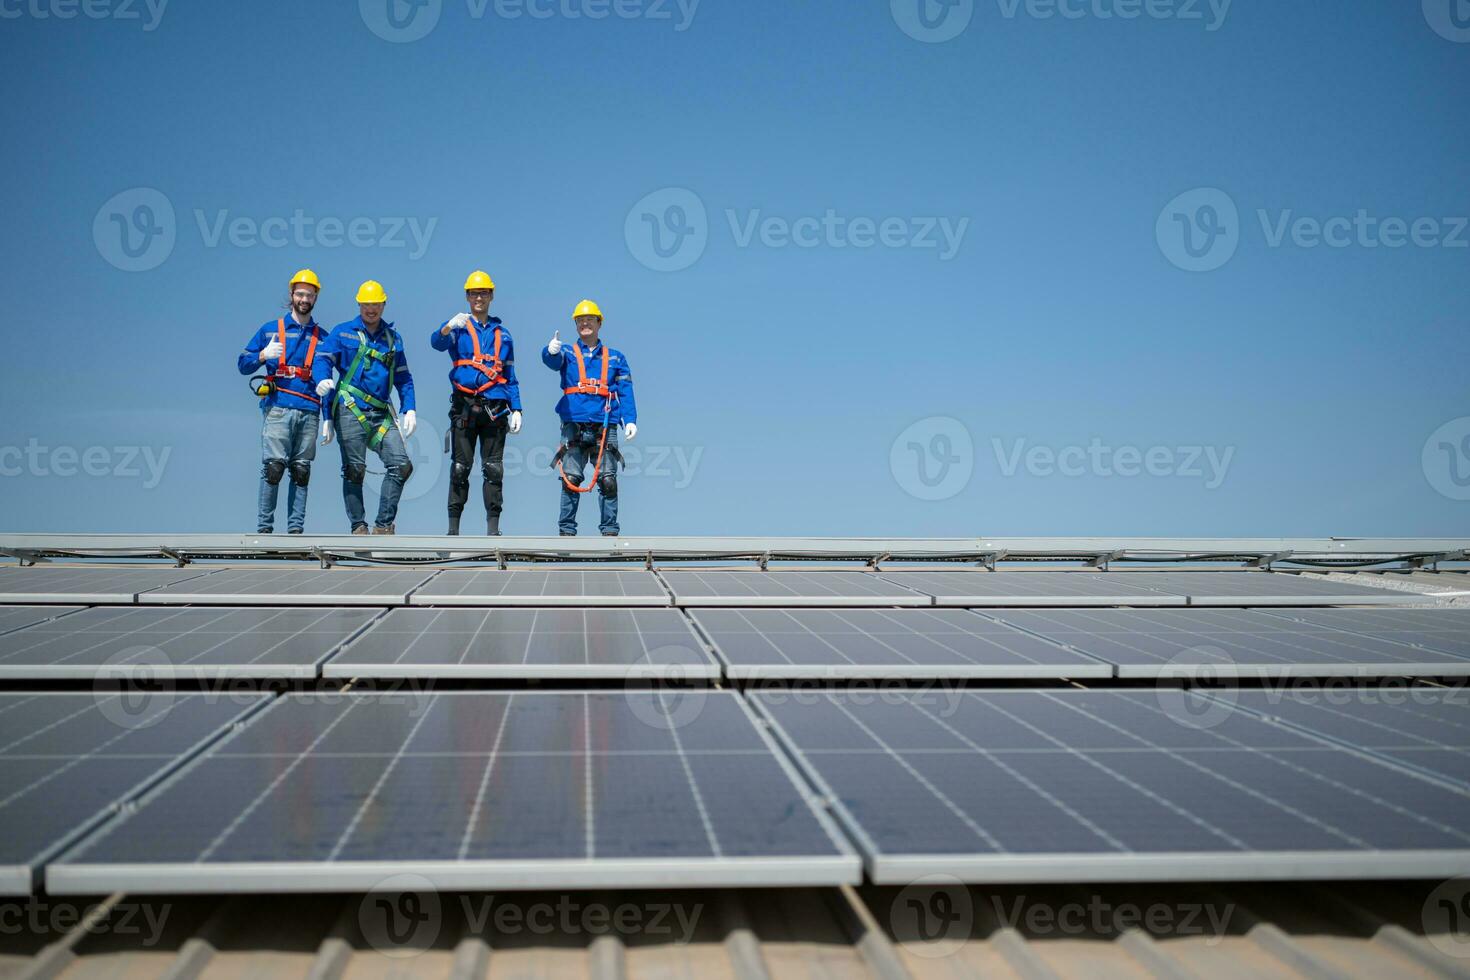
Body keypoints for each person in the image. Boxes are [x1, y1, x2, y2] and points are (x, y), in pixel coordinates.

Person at [313, 280, 417, 535]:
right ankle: (358, 527)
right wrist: (322, 379)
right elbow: (322, 359)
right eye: (367, 304)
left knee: (401, 465)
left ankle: (383, 526)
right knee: (354, 469)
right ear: (359, 304)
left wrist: (410, 407)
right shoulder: (342, 333)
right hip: (350, 409)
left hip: (381, 413)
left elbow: (403, 377)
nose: (371, 309)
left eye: (376, 304)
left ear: (384, 304)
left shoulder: (393, 339)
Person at [430, 270, 523, 536]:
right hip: (464, 406)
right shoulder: (458, 329)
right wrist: (448, 326)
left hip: (495, 408)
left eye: (483, 293)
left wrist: (517, 408)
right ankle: (453, 531)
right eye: (474, 293)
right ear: (467, 297)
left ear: (491, 296)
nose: (478, 298)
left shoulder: (504, 335)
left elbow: (510, 376)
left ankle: (493, 531)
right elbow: (436, 343)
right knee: (460, 468)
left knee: (493, 469)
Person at [237, 269, 327, 534]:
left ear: (315, 297)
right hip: (278, 407)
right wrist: (263, 355)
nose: (304, 298)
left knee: (301, 471)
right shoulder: (269, 331)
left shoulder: (323, 337)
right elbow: (243, 364)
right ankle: (264, 532)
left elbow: (330, 379)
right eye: (300, 293)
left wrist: (329, 417)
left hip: (310, 409)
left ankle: (295, 533)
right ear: (291, 295)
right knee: (273, 469)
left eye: (309, 294)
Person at [542, 300, 637, 536]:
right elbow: (551, 362)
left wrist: (630, 419)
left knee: (607, 480)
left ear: (599, 323)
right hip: (574, 421)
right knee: (571, 479)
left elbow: (625, 391)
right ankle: (566, 533)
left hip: (605, 424)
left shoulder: (616, 358)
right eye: (580, 320)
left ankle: (610, 533)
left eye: (589, 319)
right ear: (576, 325)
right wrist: (549, 351)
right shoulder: (566, 352)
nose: (585, 323)